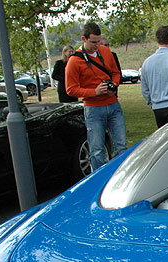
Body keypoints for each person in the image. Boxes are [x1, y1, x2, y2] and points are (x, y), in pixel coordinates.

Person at [65, 22, 127, 171]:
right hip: (93, 109)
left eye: (99, 41)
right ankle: (100, 181)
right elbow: (71, 89)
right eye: (93, 42)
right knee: (97, 150)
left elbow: (116, 72)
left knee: (121, 146)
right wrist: (94, 92)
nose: (96, 45)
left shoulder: (105, 52)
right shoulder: (74, 61)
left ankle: (121, 176)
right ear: (83, 39)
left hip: (113, 104)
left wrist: (114, 85)